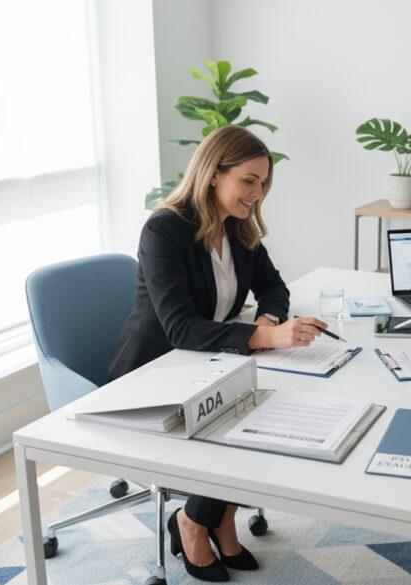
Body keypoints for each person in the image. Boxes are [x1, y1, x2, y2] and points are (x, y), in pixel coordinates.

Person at [108, 125, 328, 582]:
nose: (257, 193)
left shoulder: (239, 227)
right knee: (248, 419)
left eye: (263, 183)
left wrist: (267, 321)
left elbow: (273, 286)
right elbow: (179, 327)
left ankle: (220, 516)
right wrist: (266, 339)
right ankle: (191, 520)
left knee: (269, 407)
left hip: (204, 362)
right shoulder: (164, 230)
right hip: (151, 373)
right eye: (249, 180)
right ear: (214, 173)